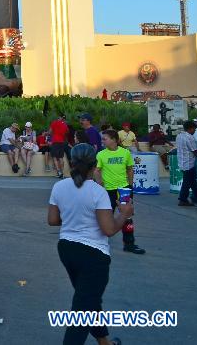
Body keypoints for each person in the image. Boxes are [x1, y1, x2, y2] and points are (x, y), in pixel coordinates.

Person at [48, 143, 131, 345]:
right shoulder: (98, 192)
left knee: (88, 300)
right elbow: (109, 229)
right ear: (94, 166)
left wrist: (73, 217)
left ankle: (104, 342)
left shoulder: (59, 187)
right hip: (93, 255)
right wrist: (124, 215)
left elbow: (52, 220)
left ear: (71, 162)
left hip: (67, 249)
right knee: (83, 309)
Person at [95, 129, 145, 255]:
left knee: (127, 217)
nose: (102, 141)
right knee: (106, 217)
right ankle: (97, 244)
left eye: (105, 139)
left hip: (124, 190)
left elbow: (130, 170)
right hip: (108, 191)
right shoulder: (101, 154)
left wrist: (130, 186)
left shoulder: (125, 153)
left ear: (114, 140)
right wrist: (100, 185)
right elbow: (97, 171)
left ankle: (129, 244)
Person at [176, 121, 197, 208]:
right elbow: (195, 151)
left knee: (192, 182)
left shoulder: (179, 136)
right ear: (190, 128)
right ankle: (183, 200)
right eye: (194, 128)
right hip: (190, 163)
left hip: (182, 163)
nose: (195, 130)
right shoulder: (190, 138)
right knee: (188, 183)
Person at [49, 114, 70, 179]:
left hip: (55, 142)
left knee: (54, 157)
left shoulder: (54, 123)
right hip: (62, 142)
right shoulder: (65, 124)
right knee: (61, 158)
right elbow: (67, 132)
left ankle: (59, 172)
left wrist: (54, 134)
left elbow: (50, 132)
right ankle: (62, 173)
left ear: (59, 118)